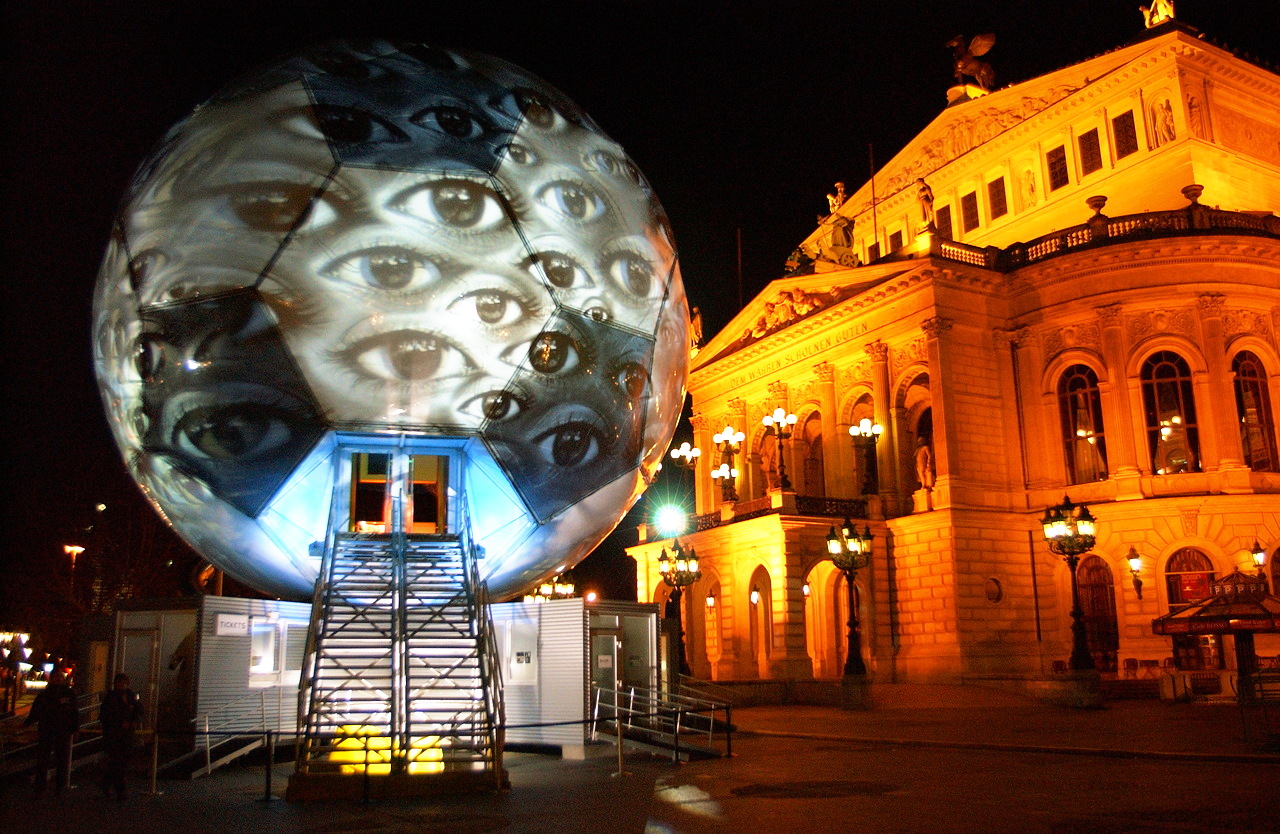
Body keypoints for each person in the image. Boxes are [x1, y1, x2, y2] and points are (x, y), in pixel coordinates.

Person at [24, 669, 80, 797]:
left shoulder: (69, 694)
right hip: (47, 730)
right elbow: (36, 712)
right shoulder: (45, 695)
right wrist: (26, 723)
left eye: (60, 677)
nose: (58, 679)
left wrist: (75, 728)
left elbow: (74, 713)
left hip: (62, 731)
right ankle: (41, 787)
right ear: (52, 678)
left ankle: (59, 787)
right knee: (43, 759)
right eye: (56, 677)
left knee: (61, 760)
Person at [99, 673, 142, 800]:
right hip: (114, 735)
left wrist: (135, 720)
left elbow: (139, 710)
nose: (122, 685)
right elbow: (106, 715)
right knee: (118, 762)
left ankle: (106, 782)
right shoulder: (111, 697)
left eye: (124, 682)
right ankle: (120, 790)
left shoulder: (130, 696)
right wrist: (119, 723)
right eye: (119, 682)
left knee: (121, 762)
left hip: (127, 735)